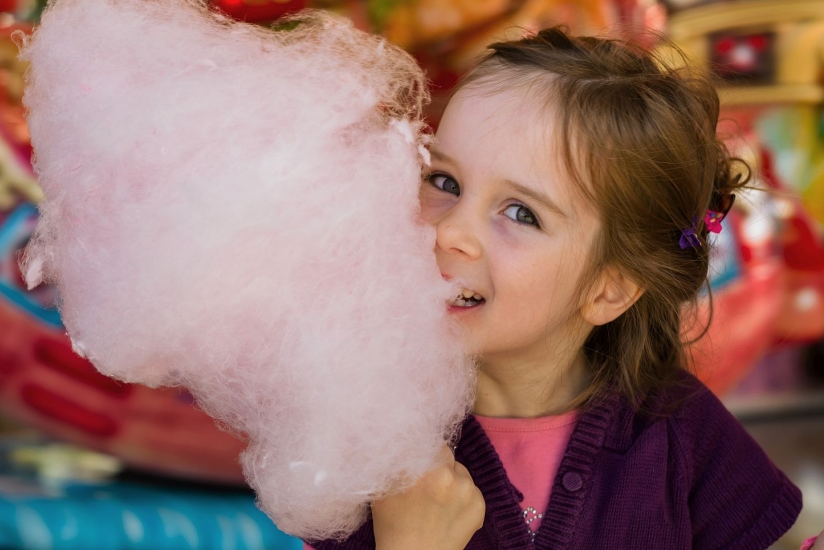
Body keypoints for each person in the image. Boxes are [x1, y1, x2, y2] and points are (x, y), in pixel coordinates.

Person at [308, 27, 805, 550]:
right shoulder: (368, 440)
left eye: (521, 213)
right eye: (445, 182)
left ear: (608, 290)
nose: (450, 231)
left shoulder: (681, 435)